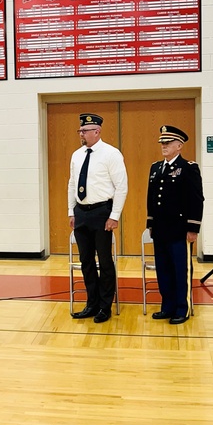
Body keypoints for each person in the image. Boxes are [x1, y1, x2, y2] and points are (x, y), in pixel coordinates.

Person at [68, 113, 127, 324]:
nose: (81, 134)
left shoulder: (111, 154)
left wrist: (114, 216)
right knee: (86, 261)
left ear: (97, 131)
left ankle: (105, 306)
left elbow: (121, 187)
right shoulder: (77, 155)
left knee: (104, 260)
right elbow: (72, 184)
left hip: (102, 212)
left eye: (84, 131)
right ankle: (91, 304)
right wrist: (71, 211)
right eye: (80, 131)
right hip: (82, 212)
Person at [146, 125, 204, 324]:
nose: (163, 145)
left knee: (181, 270)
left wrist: (193, 228)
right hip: (161, 230)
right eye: (162, 142)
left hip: (179, 230)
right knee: (164, 270)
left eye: (168, 143)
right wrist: (150, 223)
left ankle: (182, 308)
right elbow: (151, 198)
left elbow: (196, 200)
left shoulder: (188, 168)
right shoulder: (155, 167)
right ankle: (167, 306)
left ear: (179, 145)